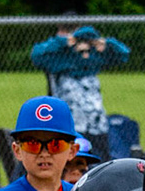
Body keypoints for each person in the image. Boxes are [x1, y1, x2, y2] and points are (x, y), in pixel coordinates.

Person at [30, 20, 129, 156]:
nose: (85, 54)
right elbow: (37, 55)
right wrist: (65, 42)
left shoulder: (93, 60)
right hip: (71, 124)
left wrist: (104, 43)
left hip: (97, 123)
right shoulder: (60, 58)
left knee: (100, 160)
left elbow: (123, 54)